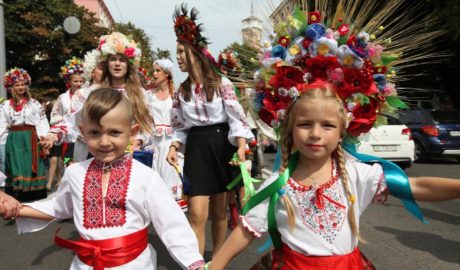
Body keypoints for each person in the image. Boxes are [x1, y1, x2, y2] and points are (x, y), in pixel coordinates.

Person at [209, 82, 460, 270]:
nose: (315, 133)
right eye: (305, 124)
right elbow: (245, 231)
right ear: (290, 130)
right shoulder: (278, 184)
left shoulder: (356, 174)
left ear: (341, 132)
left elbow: (415, 186)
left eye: (327, 125)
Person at [1, 88, 205, 270]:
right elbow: (58, 207)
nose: (104, 141)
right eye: (94, 133)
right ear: (82, 132)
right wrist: (16, 209)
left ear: (132, 132)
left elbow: (172, 224)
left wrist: (194, 264)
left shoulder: (146, 177)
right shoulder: (75, 173)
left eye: (114, 132)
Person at [167, 4, 254, 256]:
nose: (179, 57)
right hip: (196, 148)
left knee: (218, 212)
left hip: (221, 145)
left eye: (182, 52)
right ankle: (196, 263)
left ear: (195, 52)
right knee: (196, 212)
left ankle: (216, 259)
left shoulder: (220, 83)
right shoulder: (181, 91)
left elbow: (236, 117)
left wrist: (240, 146)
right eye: (177, 53)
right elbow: (180, 127)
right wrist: (173, 145)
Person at [44, 32, 153, 155]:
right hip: (96, 154)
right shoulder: (91, 93)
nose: (117, 64)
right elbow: (73, 121)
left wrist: (138, 140)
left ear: (128, 65)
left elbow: (148, 126)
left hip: (128, 155)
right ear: (106, 64)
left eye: (122, 60)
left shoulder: (141, 95)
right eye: (113, 59)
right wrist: (53, 135)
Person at [140, 58, 186, 209]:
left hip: (170, 143)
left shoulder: (177, 95)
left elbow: (182, 122)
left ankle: (172, 214)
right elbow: (144, 120)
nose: (154, 74)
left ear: (167, 74)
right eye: (154, 70)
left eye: (157, 70)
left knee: (170, 179)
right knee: (153, 180)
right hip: (153, 144)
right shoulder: (149, 95)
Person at [0, 68, 50, 202]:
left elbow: (41, 121)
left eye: (23, 84)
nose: (20, 87)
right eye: (17, 85)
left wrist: (44, 137)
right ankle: (17, 196)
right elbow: (1, 124)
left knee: (28, 166)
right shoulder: (5, 105)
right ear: (11, 87)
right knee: (16, 167)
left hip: (30, 138)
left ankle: (30, 196)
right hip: (14, 138)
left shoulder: (34, 104)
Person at [46, 57, 85, 191]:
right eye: (75, 81)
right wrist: (66, 119)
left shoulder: (87, 95)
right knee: (68, 161)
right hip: (68, 135)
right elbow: (55, 115)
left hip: (82, 135)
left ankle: (80, 187)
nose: (79, 84)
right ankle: (70, 185)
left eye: (81, 81)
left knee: (81, 164)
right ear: (69, 82)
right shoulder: (62, 98)